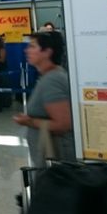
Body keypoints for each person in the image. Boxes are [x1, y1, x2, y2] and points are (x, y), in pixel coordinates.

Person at [13, 31, 75, 167]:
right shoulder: (48, 77)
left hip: (57, 164)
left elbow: (63, 124)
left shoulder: (52, 80)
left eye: (32, 46)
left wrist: (29, 121)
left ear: (47, 52)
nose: (27, 50)